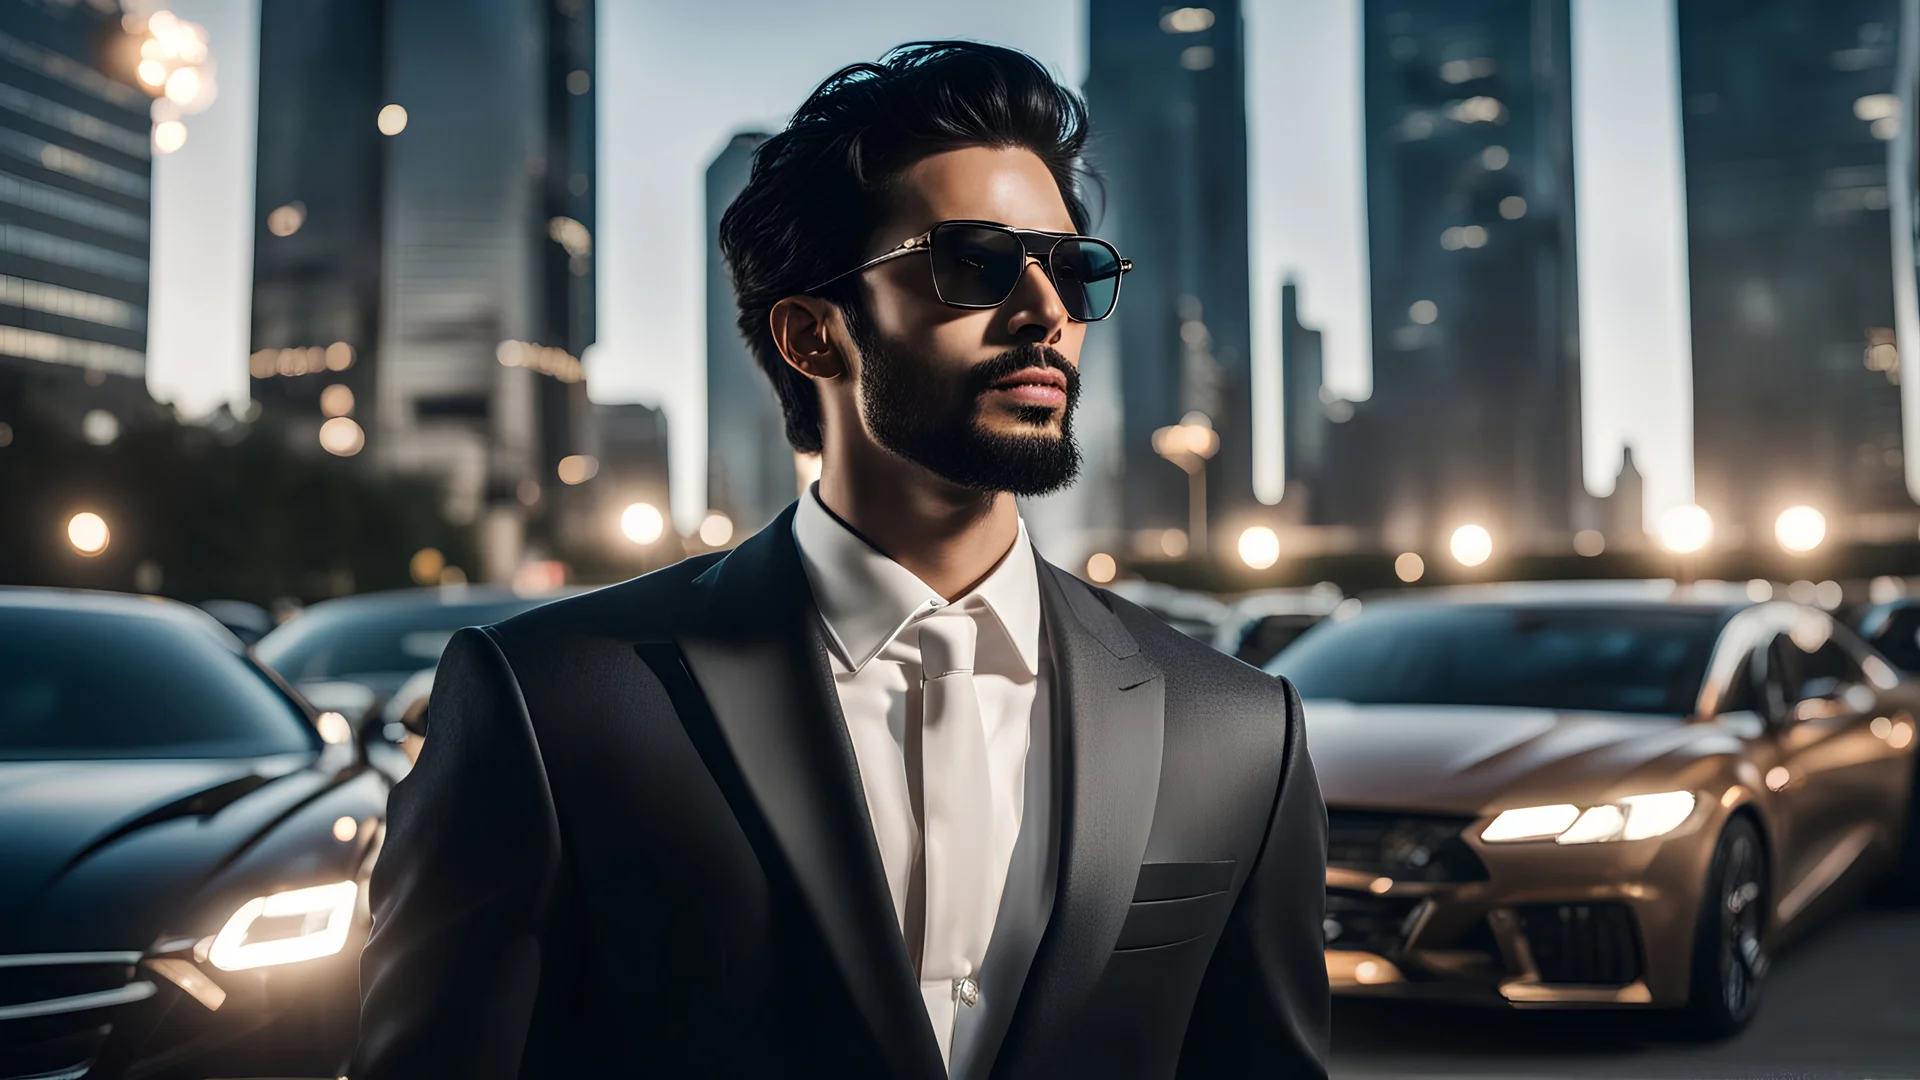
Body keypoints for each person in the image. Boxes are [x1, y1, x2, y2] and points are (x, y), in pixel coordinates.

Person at [352, 41, 1328, 1080]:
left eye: (1073, 268)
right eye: (979, 263)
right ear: (815, 337)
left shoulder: (1236, 733)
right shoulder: (552, 703)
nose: (1046, 313)